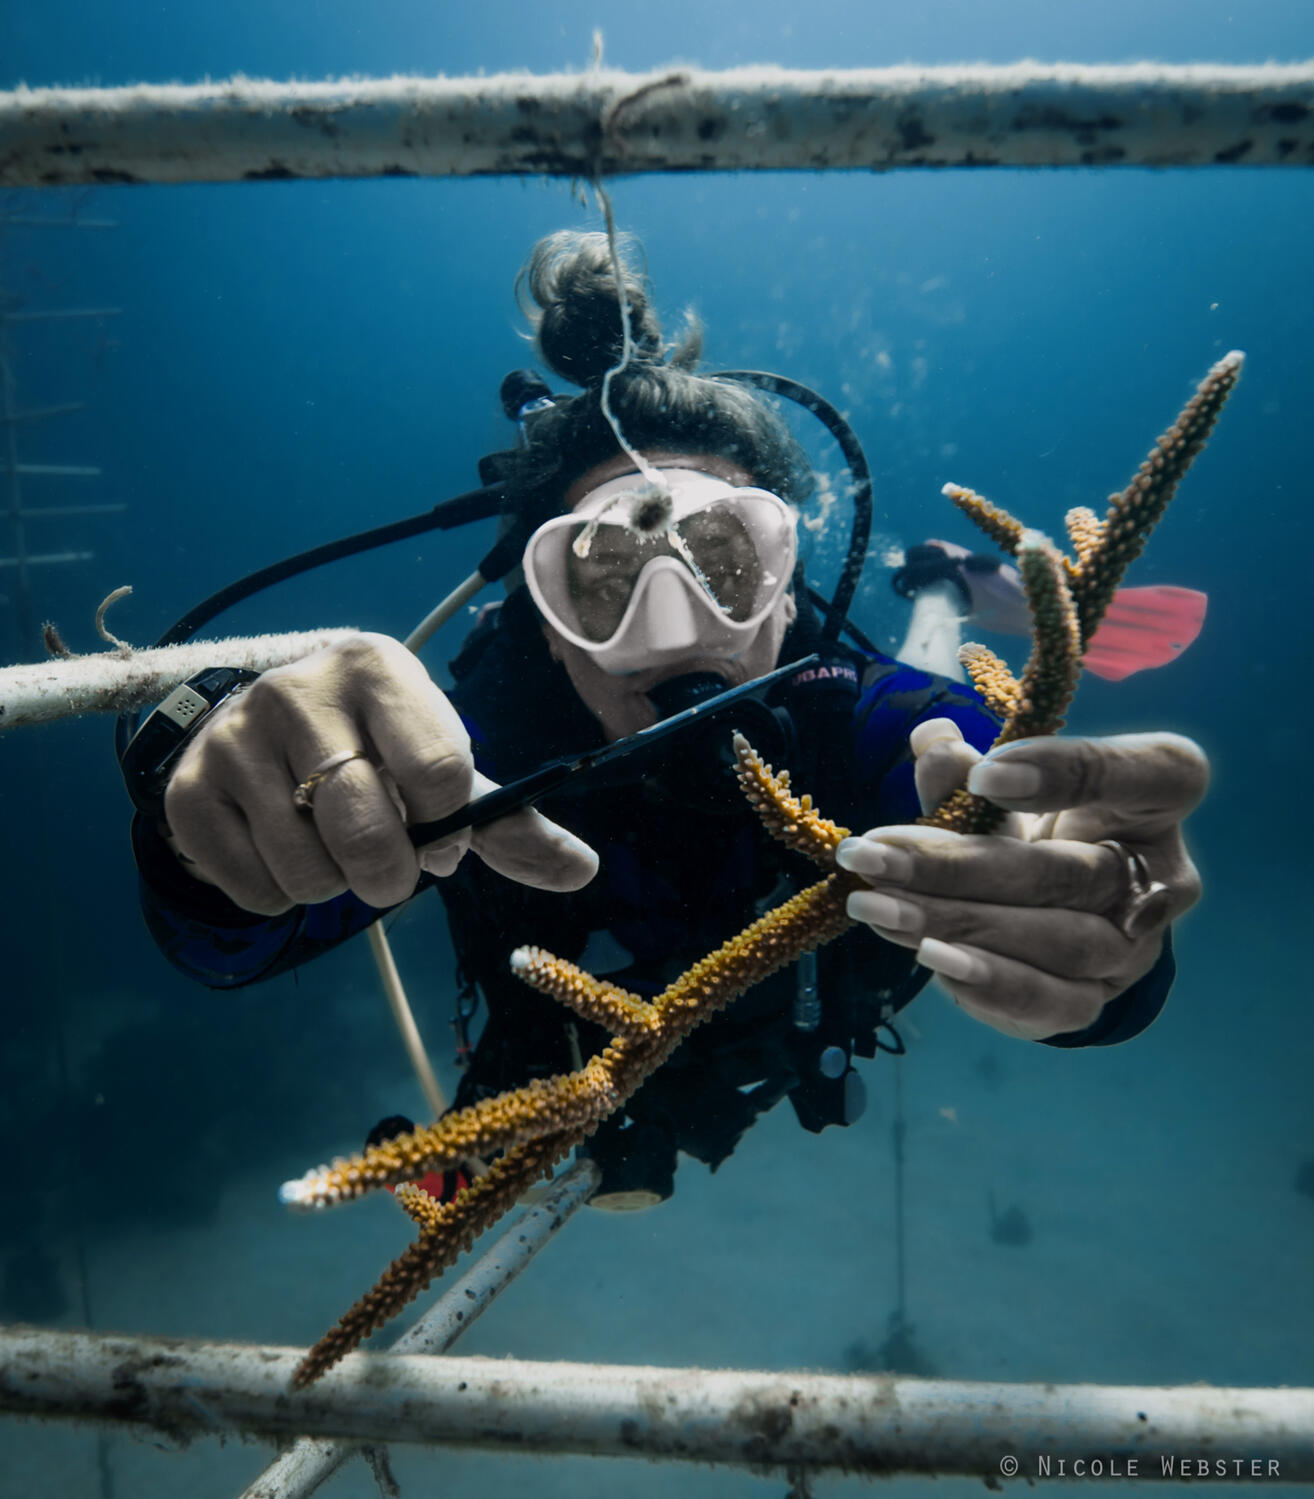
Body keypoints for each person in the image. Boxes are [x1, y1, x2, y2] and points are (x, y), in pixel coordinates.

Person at [129, 231, 1206, 1209]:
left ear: (785, 587)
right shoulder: (482, 761)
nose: (675, 622)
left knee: (931, 663)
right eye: (601, 573)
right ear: (542, 623)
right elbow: (227, 940)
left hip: (780, 1000)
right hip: (590, 1062)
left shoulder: (862, 723)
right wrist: (218, 823)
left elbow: (976, 769)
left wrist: (1104, 938)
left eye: (726, 558)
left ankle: (937, 582)